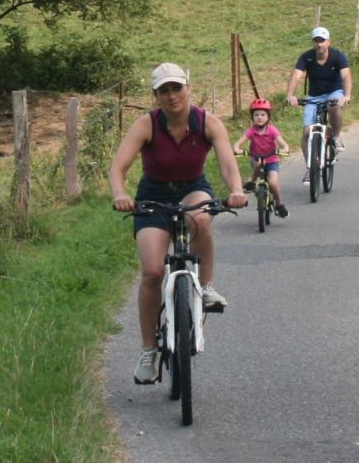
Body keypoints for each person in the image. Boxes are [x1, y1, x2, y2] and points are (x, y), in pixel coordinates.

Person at [108, 62, 248, 385]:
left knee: (200, 218)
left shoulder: (207, 122)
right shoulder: (146, 125)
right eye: (163, 90)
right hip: (153, 195)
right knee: (153, 271)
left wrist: (237, 190)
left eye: (176, 88)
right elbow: (118, 168)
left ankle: (206, 286)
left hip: (191, 187)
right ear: (155, 96)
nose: (171, 96)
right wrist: (120, 194)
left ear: (188, 88)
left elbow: (227, 162)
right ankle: (148, 351)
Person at [285, 25, 352, 153]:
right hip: (314, 95)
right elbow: (296, 75)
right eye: (316, 41)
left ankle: (336, 136)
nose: (319, 44)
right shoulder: (306, 57)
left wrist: (347, 95)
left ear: (328, 42)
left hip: (334, 92)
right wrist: (290, 94)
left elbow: (346, 76)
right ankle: (311, 169)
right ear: (313, 42)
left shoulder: (338, 56)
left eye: (322, 41)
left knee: (334, 104)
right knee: (306, 133)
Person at [233, 98, 291, 218]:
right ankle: (252, 183)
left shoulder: (272, 130)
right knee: (258, 163)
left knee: (273, 183)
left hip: (271, 161)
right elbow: (237, 144)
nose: (259, 117)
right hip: (256, 159)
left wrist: (284, 149)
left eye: (263, 115)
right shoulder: (251, 131)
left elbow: (284, 144)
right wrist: (237, 148)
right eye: (256, 115)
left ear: (268, 116)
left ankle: (279, 205)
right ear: (252, 117)